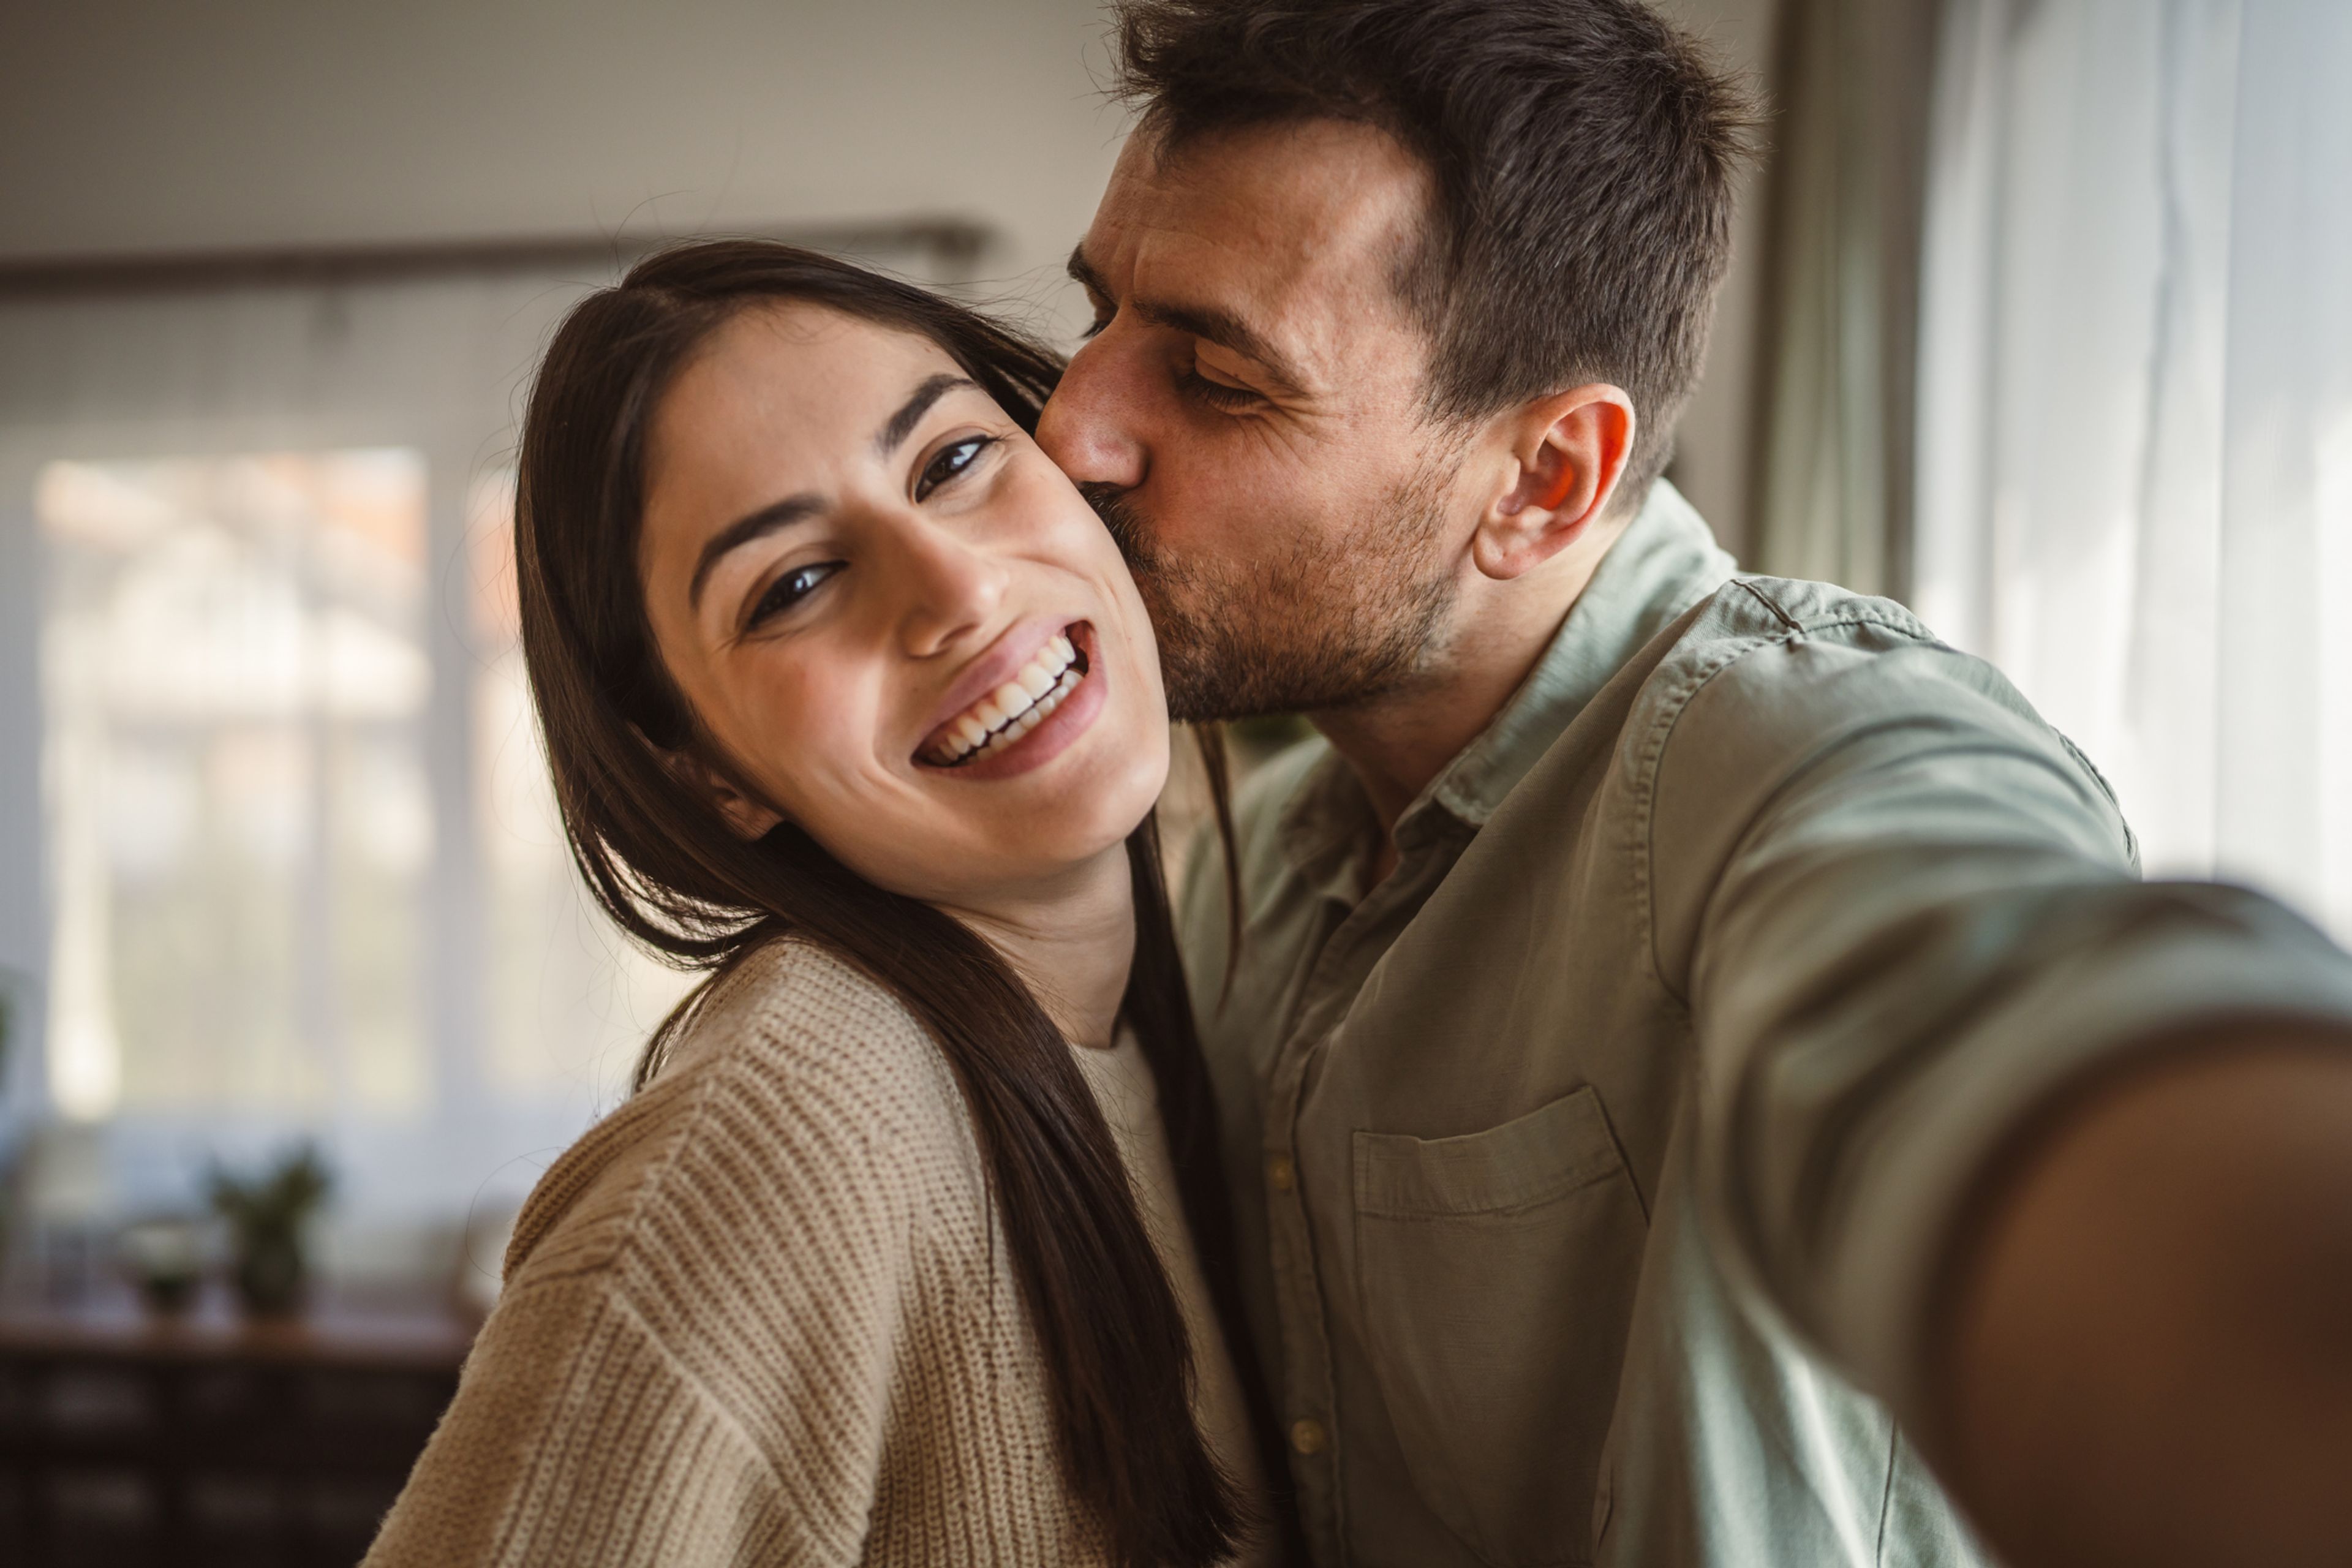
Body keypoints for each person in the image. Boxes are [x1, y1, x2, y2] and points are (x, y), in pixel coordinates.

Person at [1035, 2, 2352, 1566]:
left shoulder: (1786, 757)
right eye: (1100, 316)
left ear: (1547, 480)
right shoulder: (1248, 858)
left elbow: (1991, 1005)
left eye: (1215, 376)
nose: (1071, 429)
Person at [362, 241, 1284, 1567]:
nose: (956, 590)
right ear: (707, 772)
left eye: (954, 461)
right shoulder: (787, 1131)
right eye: (793, 584)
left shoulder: (1156, 1019)